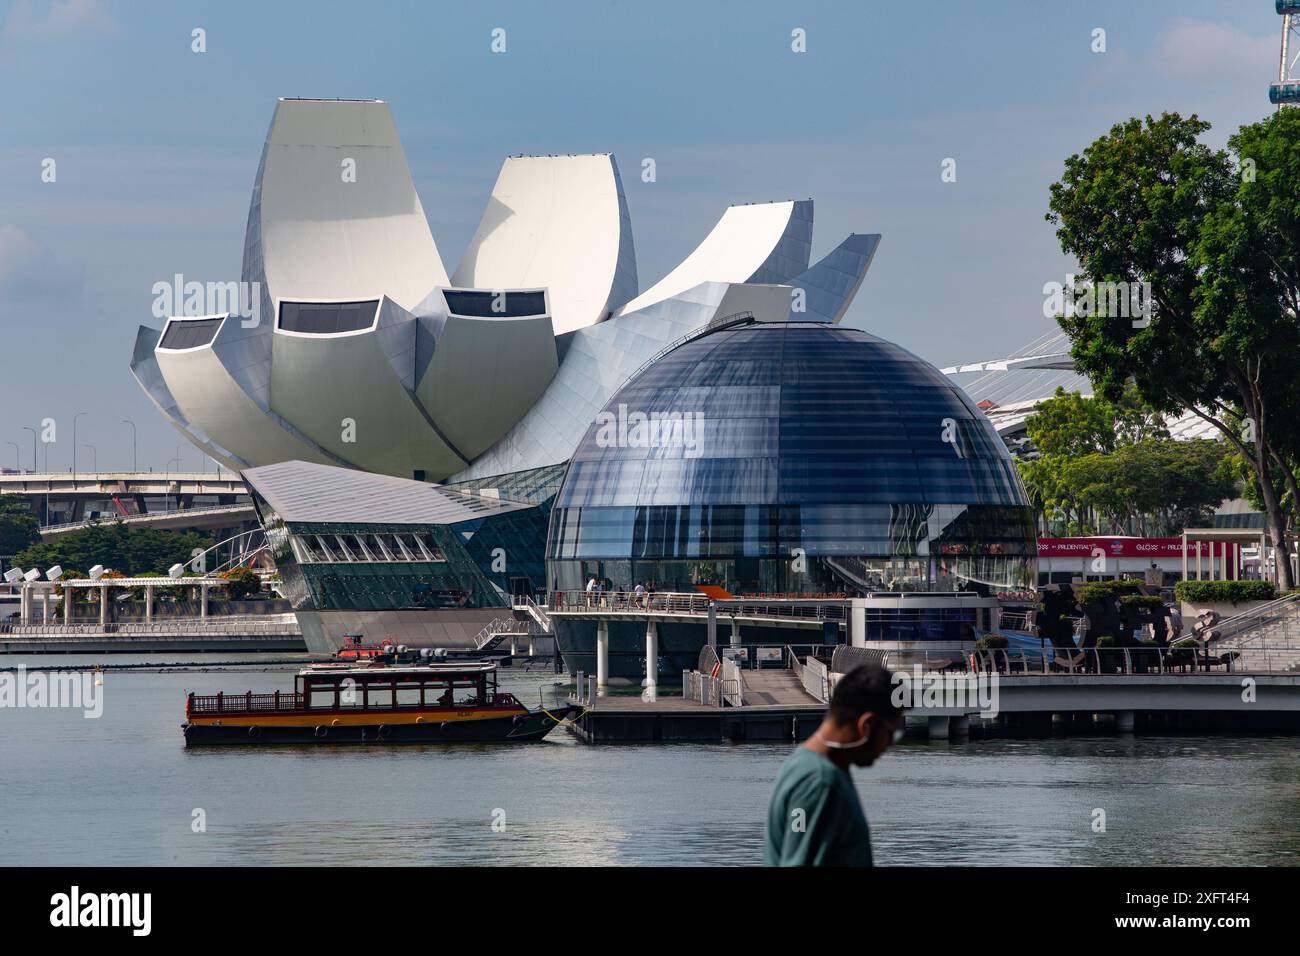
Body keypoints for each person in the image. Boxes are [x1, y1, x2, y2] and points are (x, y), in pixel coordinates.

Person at [764, 662, 905, 867]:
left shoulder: (808, 766)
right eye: (891, 734)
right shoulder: (818, 782)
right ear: (866, 725)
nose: (889, 745)